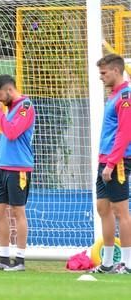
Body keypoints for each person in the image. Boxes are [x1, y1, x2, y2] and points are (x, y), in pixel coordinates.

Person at [0, 74, 35, 272]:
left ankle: (19, 260)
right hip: (3, 167)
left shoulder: (25, 107)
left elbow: (12, 132)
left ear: (10, 90)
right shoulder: (11, 109)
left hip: (19, 167)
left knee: (17, 211)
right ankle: (3, 258)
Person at [89, 55, 131, 274]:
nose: (100, 77)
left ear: (116, 71)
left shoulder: (125, 95)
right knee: (102, 208)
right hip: (105, 159)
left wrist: (112, 163)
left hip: (117, 161)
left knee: (120, 211)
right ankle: (106, 263)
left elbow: (125, 132)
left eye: (104, 73)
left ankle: (128, 264)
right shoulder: (113, 96)